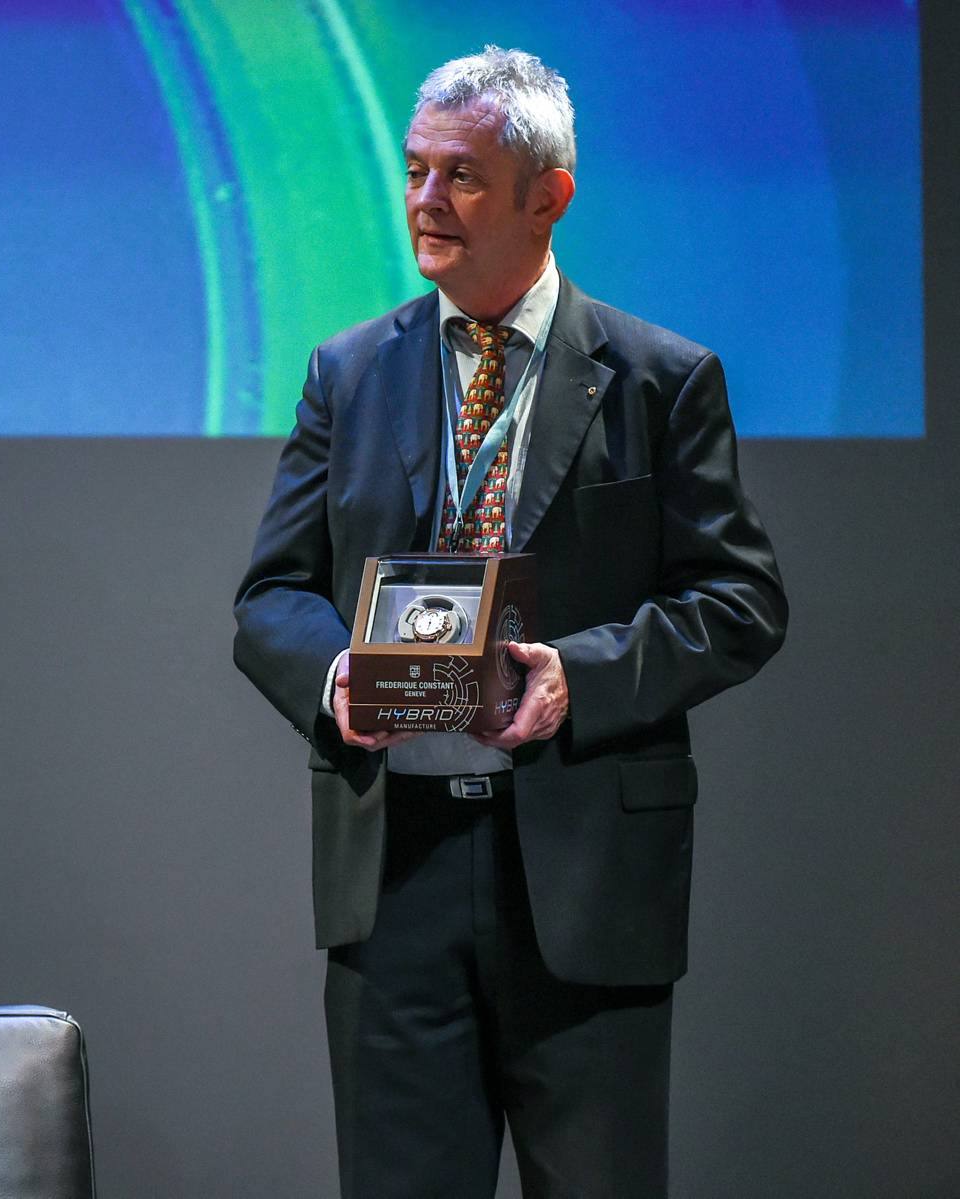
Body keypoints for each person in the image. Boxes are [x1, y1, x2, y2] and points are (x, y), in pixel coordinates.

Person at [232, 48, 787, 1197]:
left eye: (464, 177)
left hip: (583, 879)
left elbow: (741, 601)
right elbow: (270, 598)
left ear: (550, 194)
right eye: (416, 172)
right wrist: (338, 674)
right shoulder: (347, 372)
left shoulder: (658, 377)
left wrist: (577, 674)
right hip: (396, 874)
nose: (427, 203)